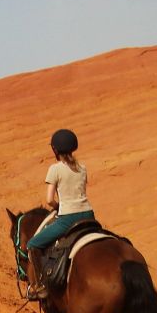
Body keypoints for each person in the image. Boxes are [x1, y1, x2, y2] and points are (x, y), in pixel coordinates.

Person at [26, 129, 95, 300]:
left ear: (55, 150)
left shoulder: (55, 169)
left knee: (33, 244)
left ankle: (40, 284)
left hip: (68, 218)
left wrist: (58, 207)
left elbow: (49, 199)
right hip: (88, 214)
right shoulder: (82, 167)